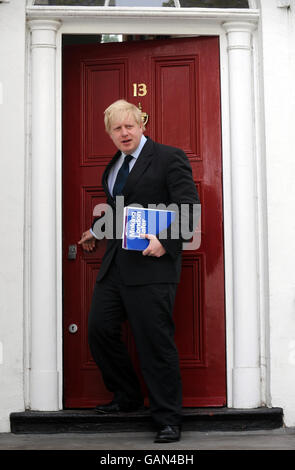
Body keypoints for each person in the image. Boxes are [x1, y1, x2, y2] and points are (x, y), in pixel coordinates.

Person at [78, 99, 199, 443]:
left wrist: (166, 242)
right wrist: (96, 231)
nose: (124, 133)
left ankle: (168, 419)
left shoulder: (168, 157)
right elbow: (119, 210)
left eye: (129, 126)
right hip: (116, 264)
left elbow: (189, 206)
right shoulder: (114, 166)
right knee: (99, 329)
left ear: (142, 125)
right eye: (117, 128)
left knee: (154, 343)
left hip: (153, 265)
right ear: (110, 134)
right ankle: (127, 396)